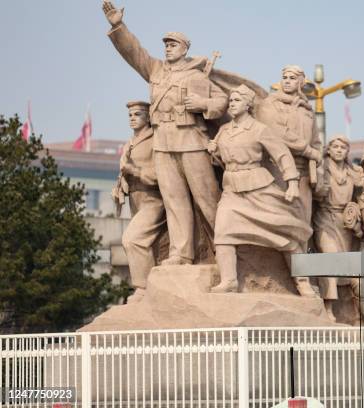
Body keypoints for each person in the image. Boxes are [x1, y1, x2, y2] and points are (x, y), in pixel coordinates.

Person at [102, 1, 227, 265]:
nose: (168, 48)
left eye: (173, 45)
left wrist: (202, 104)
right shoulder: (156, 70)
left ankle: (226, 250)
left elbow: (222, 102)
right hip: (164, 143)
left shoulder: (197, 76)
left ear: (185, 49)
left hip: (192, 142)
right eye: (166, 45)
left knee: (207, 199)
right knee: (174, 201)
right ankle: (181, 253)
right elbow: (134, 53)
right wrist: (118, 26)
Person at [206, 85, 313, 293]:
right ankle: (229, 281)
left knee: (285, 235)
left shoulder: (259, 129)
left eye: (237, 100)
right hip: (231, 189)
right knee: (222, 233)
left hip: (259, 187)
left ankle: (303, 282)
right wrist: (214, 151)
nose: (232, 103)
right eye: (231, 100)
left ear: (248, 104)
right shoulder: (224, 130)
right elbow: (221, 160)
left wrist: (292, 182)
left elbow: (282, 154)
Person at [257, 64, 322, 296]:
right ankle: (287, 278)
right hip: (278, 170)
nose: (286, 81)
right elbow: (276, 132)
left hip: (304, 173)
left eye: (292, 78)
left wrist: (316, 156)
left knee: (303, 227)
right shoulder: (270, 104)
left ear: (301, 82)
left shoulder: (307, 109)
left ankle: (300, 275)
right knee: (282, 221)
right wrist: (308, 150)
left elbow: (316, 141)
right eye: (284, 77)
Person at [112, 101, 167, 303]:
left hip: (154, 199)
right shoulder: (130, 143)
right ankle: (154, 289)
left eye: (137, 114)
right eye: (130, 115)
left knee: (133, 239)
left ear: (148, 117)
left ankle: (143, 288)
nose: (132, 118)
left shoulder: (155, 140)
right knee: (149, 245)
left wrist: (135, 171)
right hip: (135, 200)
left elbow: (163, 173)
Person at [313, 134, 363, 322]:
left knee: (348, 267)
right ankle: (328, 307)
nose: (339, 150)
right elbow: (315, 190)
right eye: (335, 147)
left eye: (343, 147)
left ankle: (355, 313)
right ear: (329, 149)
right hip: (325, 218)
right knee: (330, 259)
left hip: (345, 223)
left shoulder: (352, 172)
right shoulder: (322, 168)